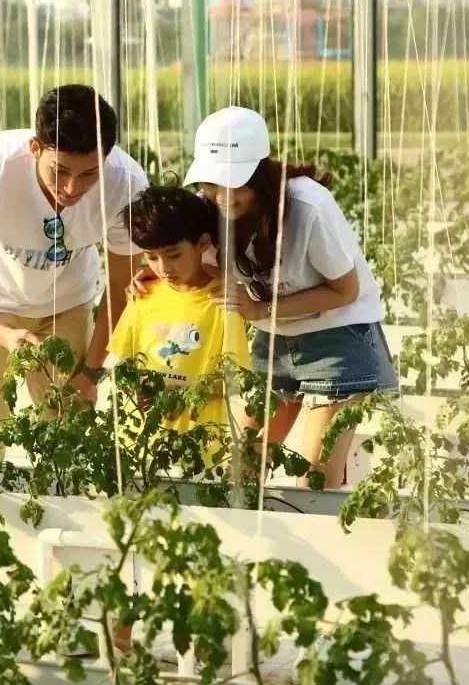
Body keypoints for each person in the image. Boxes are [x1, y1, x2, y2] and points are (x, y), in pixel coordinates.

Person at [130, 106, 397, 489]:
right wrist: (155, 274)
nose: (222, 196)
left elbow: (346, 290)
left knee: (316, 479)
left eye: (234, 183)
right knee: (243, 471)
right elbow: (194, 261)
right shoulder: (212, 212)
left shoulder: (309, 207)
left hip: (338, 339)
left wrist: (259, 308)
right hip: (273, 339)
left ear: (259, 174)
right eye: (211, 183)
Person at [0, 84, 147, 429]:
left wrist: (89, 373)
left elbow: (119, 290)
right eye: (60, 171)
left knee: (69, 429)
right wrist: (5, 335)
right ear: (35, 148)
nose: (72, 188)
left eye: (88, 174)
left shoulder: (126, 185)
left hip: (68, 304)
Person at [106, 185, 251, 464]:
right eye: (151, 257)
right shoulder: (143, 294)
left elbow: (236, 380)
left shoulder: (222, 302)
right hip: (139, 445)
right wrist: (137, 389)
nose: (163, 268)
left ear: (203, 244)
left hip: (201, 449)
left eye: (174, 255)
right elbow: (122, 362)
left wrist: (178, 395)